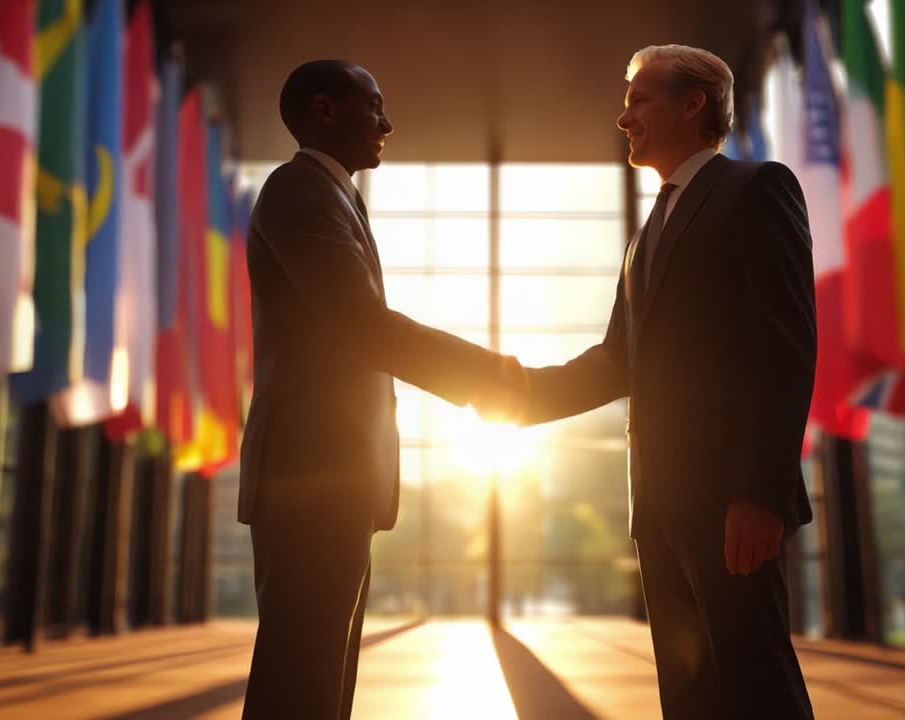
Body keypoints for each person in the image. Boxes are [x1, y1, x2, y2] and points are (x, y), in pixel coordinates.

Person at [486, 45, 818, 718]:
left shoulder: (757, 189)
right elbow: (617, 363)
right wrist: (512, 395)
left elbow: (784, 350)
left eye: (638, 99)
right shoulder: (647, 234)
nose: (623, 117)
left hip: (733, 507)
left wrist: (759, 493)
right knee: (692, 697)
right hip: (660, 511)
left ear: (692, 103)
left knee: (757, 690)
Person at [238, 59, 526, 719]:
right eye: (374, 105)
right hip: (308, 481)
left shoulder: (331, 195)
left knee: (321, 680)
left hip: (330, 483)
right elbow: (363, 328)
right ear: (326, 109)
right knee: (301, 679)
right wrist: (489, 379)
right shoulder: (298, 190)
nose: (388, 123)